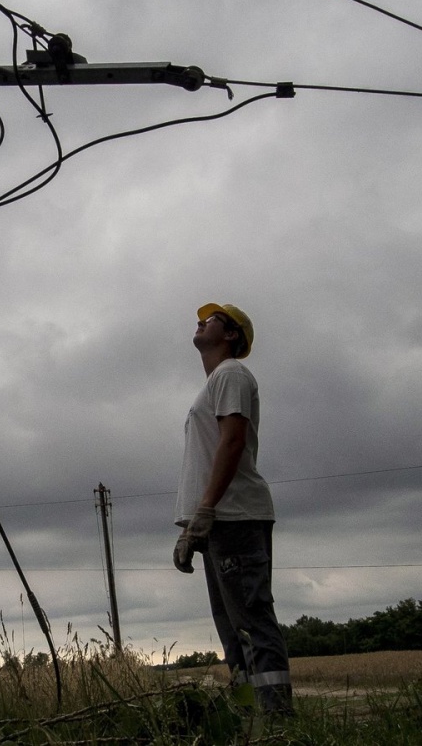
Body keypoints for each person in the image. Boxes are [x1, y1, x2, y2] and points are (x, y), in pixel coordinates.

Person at [173, 302, 292, 715]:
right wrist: (192, 526)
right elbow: (208, 455)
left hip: (235, 516)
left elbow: (232, 442)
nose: (201, 320)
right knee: (232, 629)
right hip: (218, 521)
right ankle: (250, 717)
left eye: (213, 318)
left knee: (251, 621)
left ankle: (277, 718)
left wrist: (205, 511)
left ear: (231, 335)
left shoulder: (231, 374)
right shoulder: (214, 385)